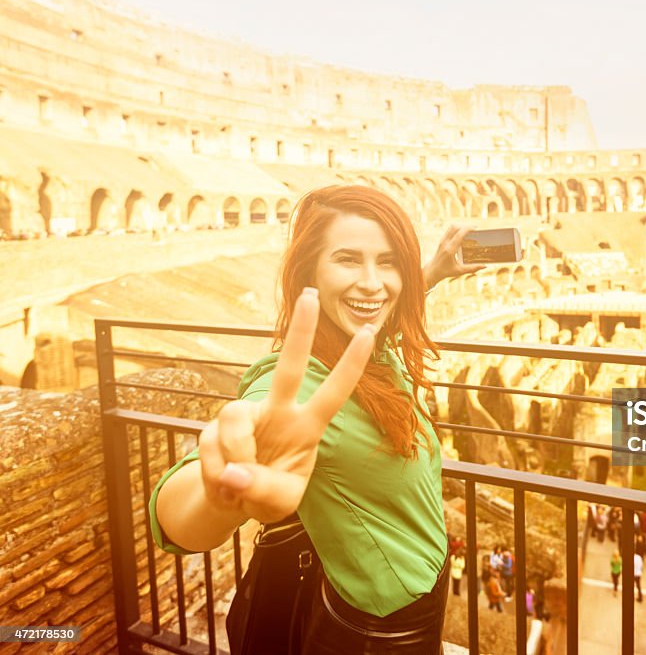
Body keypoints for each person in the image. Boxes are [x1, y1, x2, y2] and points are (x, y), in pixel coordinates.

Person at [149, 185, 482, 653]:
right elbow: (173, 515)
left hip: (420, 602)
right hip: (376, 632)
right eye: (347, 259)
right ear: (309, 271)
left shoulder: (365, 347)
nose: (372, 282)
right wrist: (224, 490)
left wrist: (434, 272)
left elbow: (378, 312)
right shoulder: (298, 385)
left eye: (388, 262)